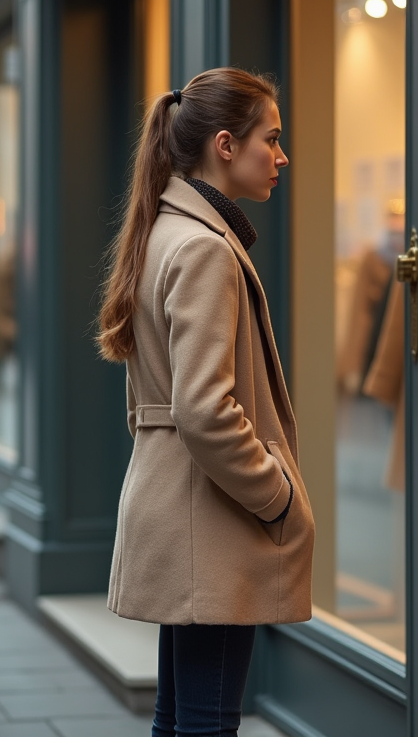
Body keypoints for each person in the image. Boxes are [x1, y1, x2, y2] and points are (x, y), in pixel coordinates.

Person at [96, 68, 315, 736]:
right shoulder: (205, 249)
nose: (281, 157)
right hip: (213, 518)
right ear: (225, 144)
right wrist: (276, 495)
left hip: (180, 504)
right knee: (208, 723)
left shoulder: (164, 231)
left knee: (180, 718)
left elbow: (155, 402)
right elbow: (205, 410)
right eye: (270, 140)